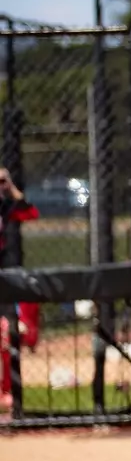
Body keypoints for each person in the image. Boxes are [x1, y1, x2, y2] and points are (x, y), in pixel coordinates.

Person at [0, 166, 41, 410]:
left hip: (3, 277)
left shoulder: (4, 206)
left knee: (6, 331)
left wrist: (10, 188)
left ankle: (6, 390)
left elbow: (31, 213)